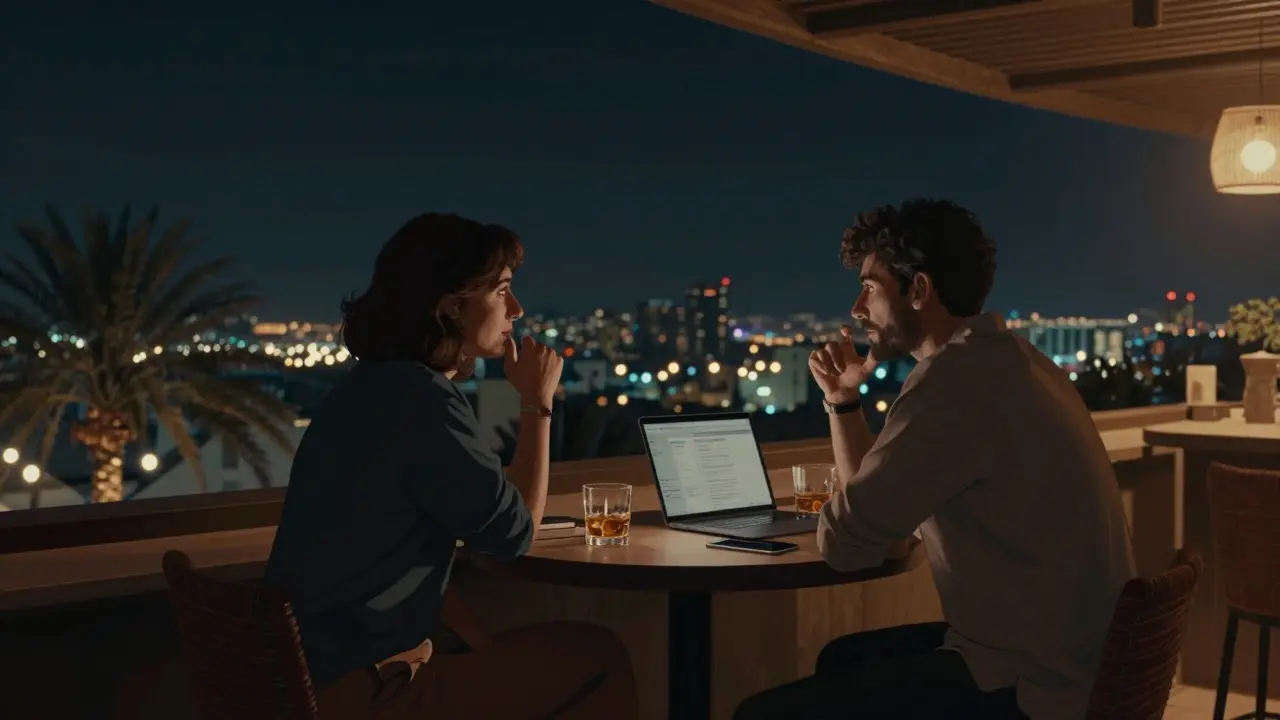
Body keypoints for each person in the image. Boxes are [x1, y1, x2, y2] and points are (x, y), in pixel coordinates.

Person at [734, 199, 1135, 720]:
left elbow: (845, 545)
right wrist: (844, 402)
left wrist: (849, 511)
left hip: (1034, 686)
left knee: (759, 715)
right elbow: (879, 536)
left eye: (871, 288)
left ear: (919, 290)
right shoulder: (1019, 361)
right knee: (843, 658)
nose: (857, 308)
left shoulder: (952, 386)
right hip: (1085, 663)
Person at [265, 213, 639, 720]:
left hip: (312, 678)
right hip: (376, 691)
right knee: (600, 656)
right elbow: (515, 535)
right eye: (502, 291)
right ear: (452, 306)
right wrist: (536, 404)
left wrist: (483, 646)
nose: (517, 309)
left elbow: (407, 552)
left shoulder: (366, 389)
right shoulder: (424, 402)